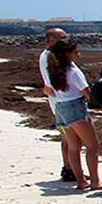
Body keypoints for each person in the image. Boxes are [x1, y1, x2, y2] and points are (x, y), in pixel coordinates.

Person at [46, 39, 102, 191]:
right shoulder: (73, 71)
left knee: (73, 146)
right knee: (92, 145)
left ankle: (81, 181)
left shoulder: (54, 70)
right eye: (75, 52)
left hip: (61, 109)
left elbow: (48, 90)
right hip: (75, 108)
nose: (79, 54)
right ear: (67, 54)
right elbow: (87, 93)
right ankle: (95, 182)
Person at [39, 28, 75, 181]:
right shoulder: (49, 57)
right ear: (52, 40)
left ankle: (68, 167)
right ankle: (69, 168)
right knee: (69, 136)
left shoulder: (53, 56)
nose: (66, 39)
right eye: (62, 37)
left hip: (61, 102)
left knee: (67, 136)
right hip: (62, 103)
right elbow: (49, 87)